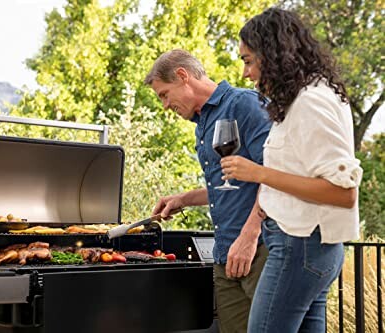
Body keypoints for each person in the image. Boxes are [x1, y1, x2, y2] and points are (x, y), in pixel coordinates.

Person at [220, 8, 363, 332]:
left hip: (300, 248)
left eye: (248, 60)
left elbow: (343, 193)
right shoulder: (303, 98)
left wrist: (258, 173)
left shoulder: (311, 102)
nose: (246, 73)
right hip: (305, 248)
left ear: (273, 54)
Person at [144, 49, 271, 332]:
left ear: (182, 76)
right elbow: (228, 185)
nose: (165, 105)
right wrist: (184, 199)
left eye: (164, 94)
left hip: (259, 249)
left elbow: (272, 174)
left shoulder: (243, 104)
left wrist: (250, 236)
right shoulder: (201, 124)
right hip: (225, 252)